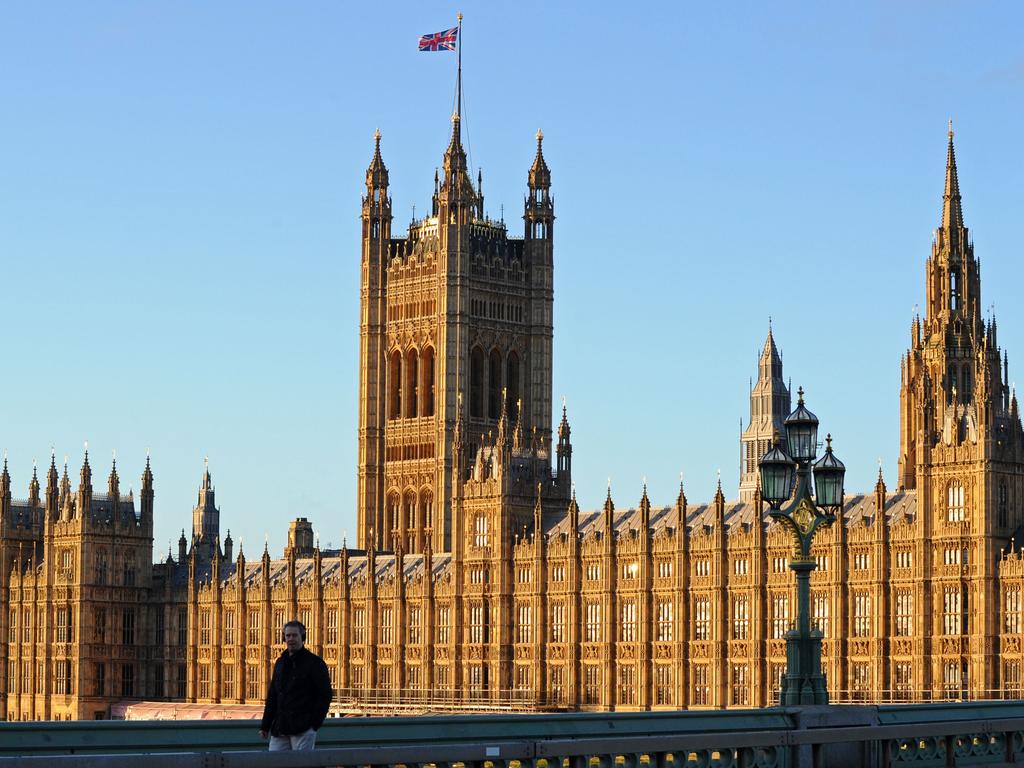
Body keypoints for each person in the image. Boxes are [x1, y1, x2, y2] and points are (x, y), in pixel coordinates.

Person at [259, 620, 333, 751]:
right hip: (280, 727)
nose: (291, 639)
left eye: (294, 635)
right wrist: (265, 726)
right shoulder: (280, 663)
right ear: (284, 638)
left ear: (302, 637)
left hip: (303, 728)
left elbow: (325, 695)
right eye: (288, 636)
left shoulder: (315, 663)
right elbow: (273, 696)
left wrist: (314, 724)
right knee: (273, 762)